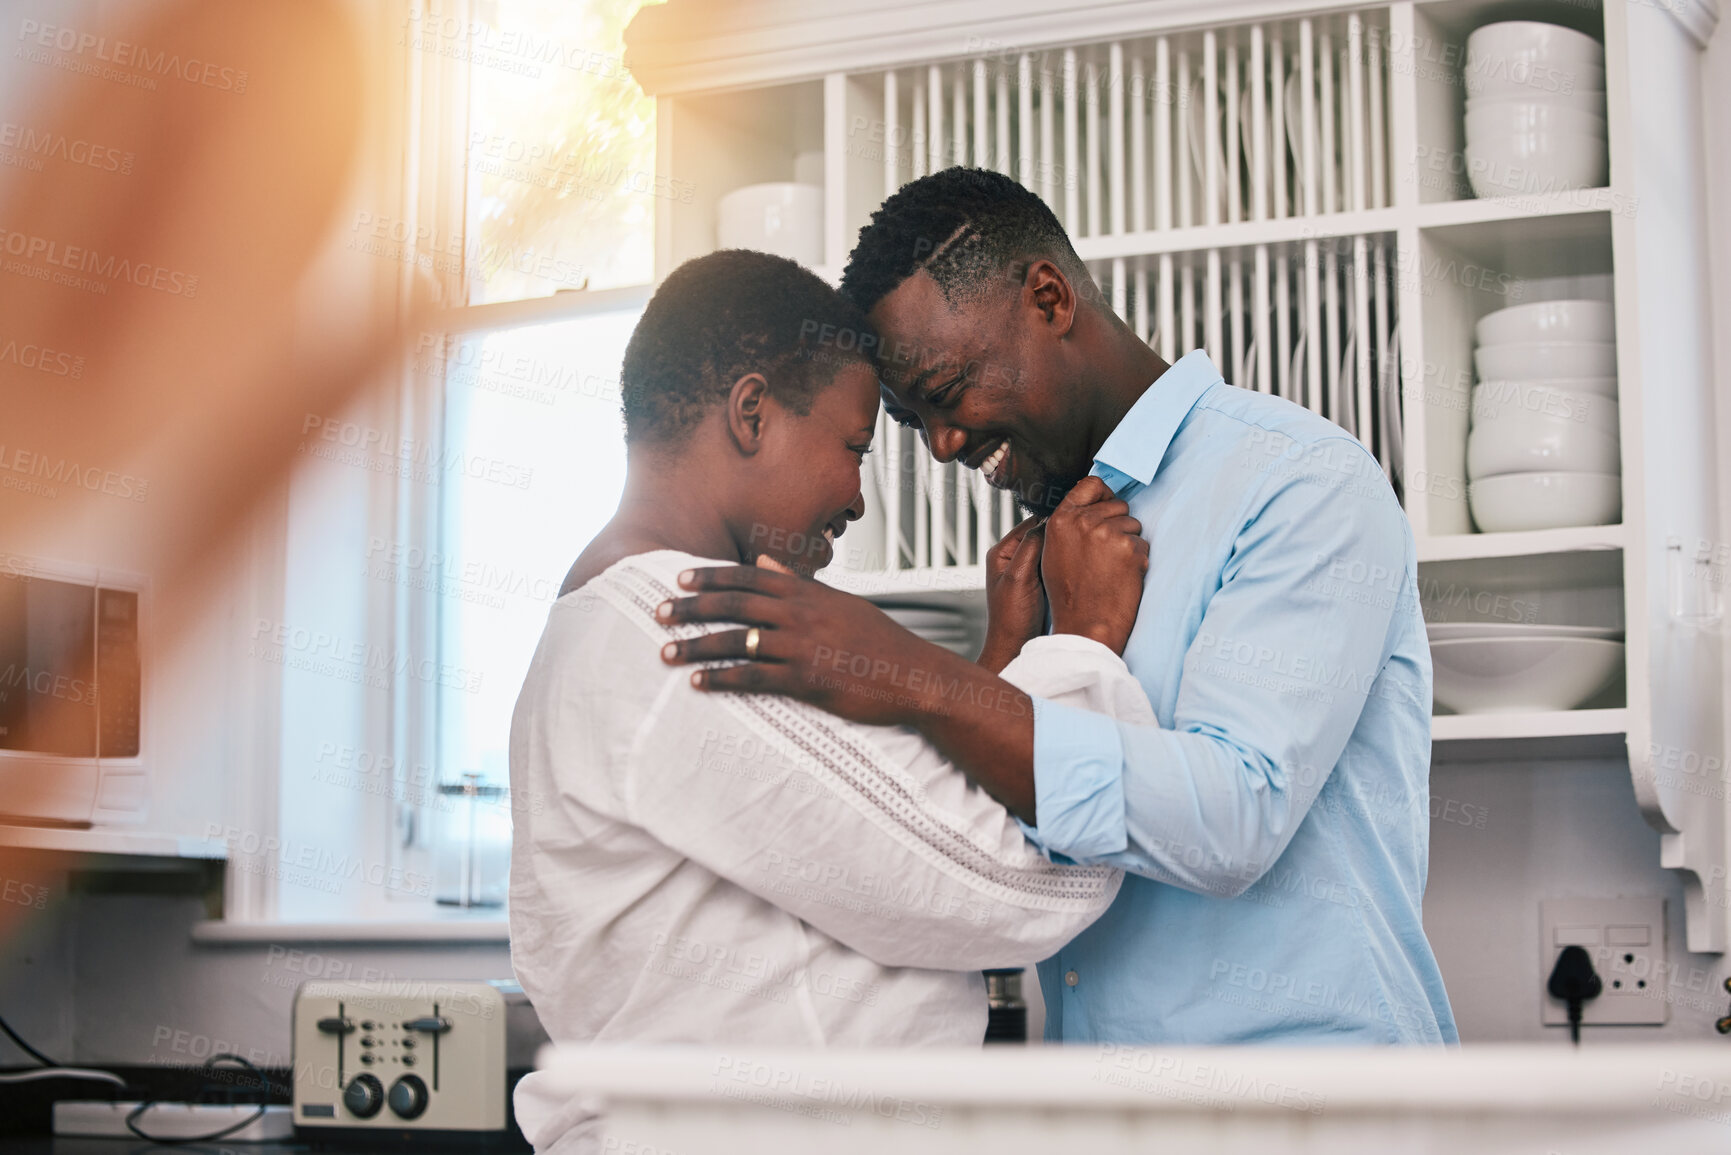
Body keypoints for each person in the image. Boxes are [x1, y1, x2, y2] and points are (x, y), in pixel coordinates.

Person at [661, 169, 1458, 1046]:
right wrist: (1004, 655)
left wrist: (907, 671)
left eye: (949, 386)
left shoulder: (1299, 482)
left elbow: (1238, 815)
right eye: (910, 416)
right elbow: (995, 844)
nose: (943, 444)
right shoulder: (1043, 555)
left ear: (1048, 298)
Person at [509, 249, 1156, 1153]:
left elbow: (874, 845)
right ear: (751, 412)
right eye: (854, 448)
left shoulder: (620, 622)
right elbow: (1022, 881)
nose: (855, 497)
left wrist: (998, 666)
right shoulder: (685, 631)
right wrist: (1080, 642)